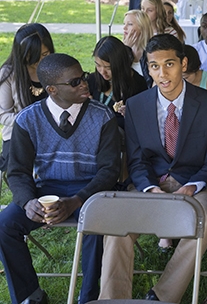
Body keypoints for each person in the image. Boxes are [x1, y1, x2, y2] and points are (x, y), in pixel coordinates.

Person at [99, 34, 207, 303]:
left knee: (206, 220)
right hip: (150, 185)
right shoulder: (136, 106)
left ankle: (163, 296)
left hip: (196, 185)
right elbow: (136, 160)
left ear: (183, 63)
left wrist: (193, 185)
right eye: (154, 66)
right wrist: (150, 187)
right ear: (147, 68)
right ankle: (113, 299)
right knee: (115, 222)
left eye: (169, 64)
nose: (162, 73)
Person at [0, 53, 120, 304]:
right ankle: (29, 295)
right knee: (4, 225)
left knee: (97, 220)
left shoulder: (103, 116)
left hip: (90, 191)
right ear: (52, 89)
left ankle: (88, 297)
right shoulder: (27, 119)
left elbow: (109, 170)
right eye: (75, 82)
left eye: (84, 77)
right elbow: (18, 171)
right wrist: (27, 202)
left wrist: (76, 201)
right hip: (47, 190)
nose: (85, 84)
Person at [0, 24, 54, 172]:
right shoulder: (8, 74)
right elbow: (3, 115)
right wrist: (31, 123)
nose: (40, 60)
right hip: (19, 135)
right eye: (34, 56)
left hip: (53, 132)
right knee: (21, 172)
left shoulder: (54, 68)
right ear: (22, 53)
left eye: (45, 54)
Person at [88, 36, 148, 128]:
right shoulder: (92, 79)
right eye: (98, 65)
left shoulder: (137, 84)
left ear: (120, 64)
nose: (102, 72)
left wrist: (130, 115)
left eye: (108, 68)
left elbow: (143, 121)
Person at [122, 9, 153, 86]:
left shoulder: (152, 51)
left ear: (142, 27)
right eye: (124, 24)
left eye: (130, 24)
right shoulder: (120, 49)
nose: (124, 28)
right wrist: (125, 49)